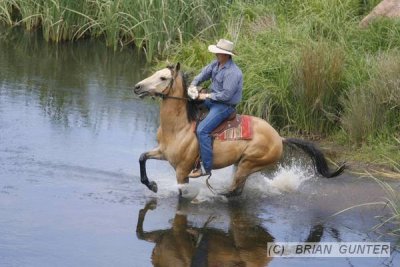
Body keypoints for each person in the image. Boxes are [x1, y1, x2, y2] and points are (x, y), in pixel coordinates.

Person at [187, 39, 243, 178]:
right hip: (212, 100)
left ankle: (206, 167)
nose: (216, 54)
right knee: (187, 105)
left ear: (226, 55)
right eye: (217, 52)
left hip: (224, 106)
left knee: (202, 130)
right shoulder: (216, 64)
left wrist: (205, 96)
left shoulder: (233, 72)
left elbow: (226, 95)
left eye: (218, 53)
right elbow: (203, 74)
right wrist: (194, 85)